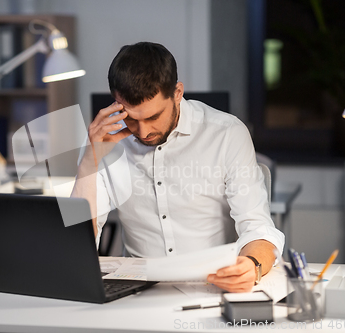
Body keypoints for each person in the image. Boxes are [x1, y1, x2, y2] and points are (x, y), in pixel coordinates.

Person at [71, 42, 284, 292]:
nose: (143, 131)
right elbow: (77, 245)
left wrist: (252, 265)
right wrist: (89, 162)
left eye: (152, 117)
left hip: (213, 286)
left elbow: (257, 227)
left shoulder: (226, 133)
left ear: (177, 93)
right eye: (130, 118)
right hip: (137, 291)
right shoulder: (106, 138)